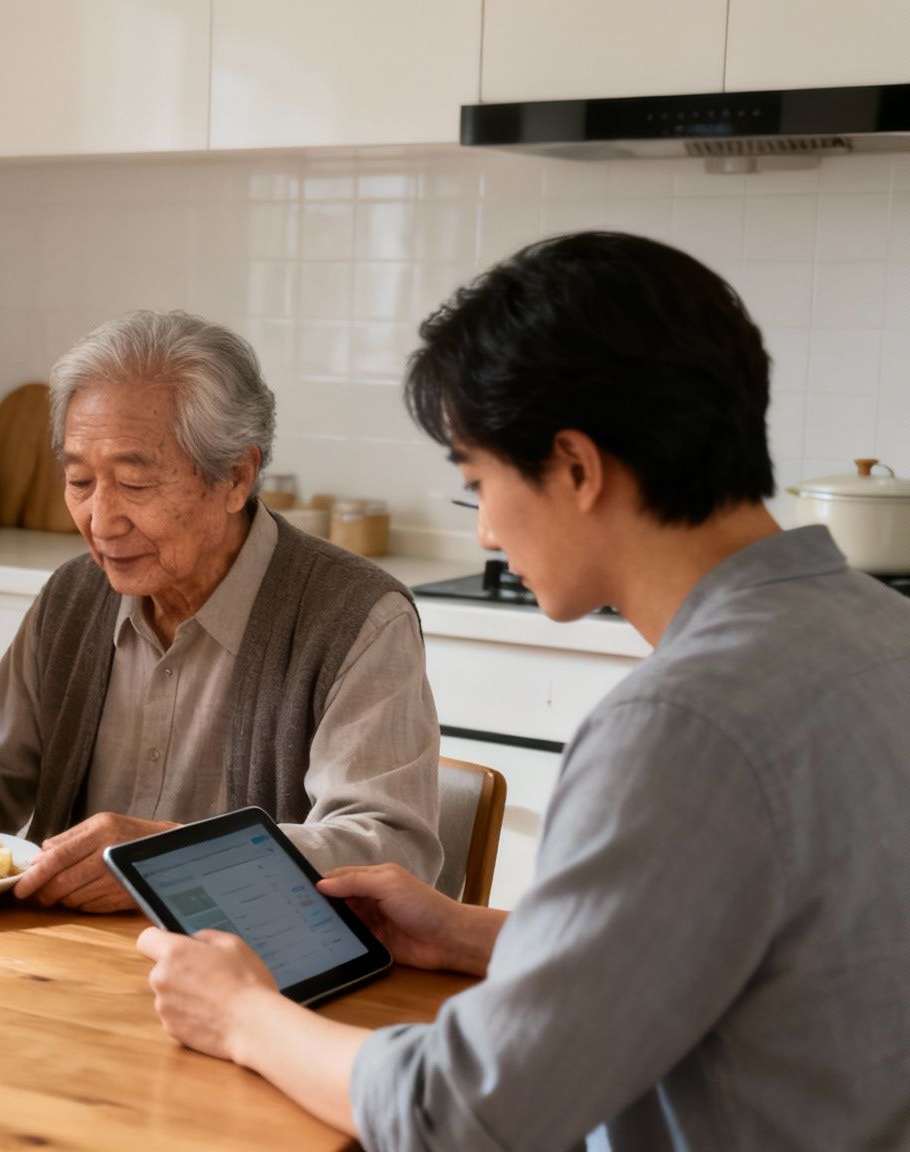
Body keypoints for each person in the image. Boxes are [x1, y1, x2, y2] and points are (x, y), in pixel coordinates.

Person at [137, 232, 910, 1149]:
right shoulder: (880, 634)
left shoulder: (678, 726)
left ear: (577, 468)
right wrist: (475, 935)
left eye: (479, 485)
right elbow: (762, 964)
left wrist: (245, 1017)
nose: (487, 536)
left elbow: (468, 1111)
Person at [0, 310, 443, 912]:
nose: (100, 521)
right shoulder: (75, 596)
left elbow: (388, 849)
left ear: (235, 477)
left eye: (136, 484)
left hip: (260, 974)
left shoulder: (356, 617)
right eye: (79, 482)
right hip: (70, 963)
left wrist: (172, 860)